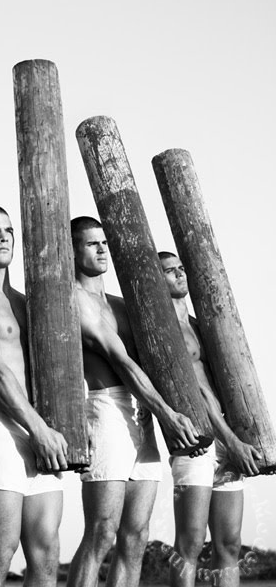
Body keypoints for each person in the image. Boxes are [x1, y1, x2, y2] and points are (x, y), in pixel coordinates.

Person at [67, 217, 202, 587]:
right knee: (102, 531)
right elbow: (123, 362)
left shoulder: (122, 305)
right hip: (108, 409)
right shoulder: (76, 300)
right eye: (91, 243)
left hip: (142, 412)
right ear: (72, 250)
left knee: (137, 536)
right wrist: (167, 414)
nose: (102, 249)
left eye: (104, 243)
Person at [0, 205, 68, 587]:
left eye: (8, 230)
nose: (4, 236)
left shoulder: (27, 302)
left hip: (40, 429)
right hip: (0, 425)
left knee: (46, 556)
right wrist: (39, 430)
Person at [158, 251, 262, 587]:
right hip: (198, 442)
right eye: (170, 271)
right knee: (190, 543)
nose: (180, 274)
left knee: (229, 544)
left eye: (181, 268)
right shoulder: (165, 330)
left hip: (227, 438)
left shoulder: (200, 326)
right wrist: (232, 441)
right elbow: (198, 393)